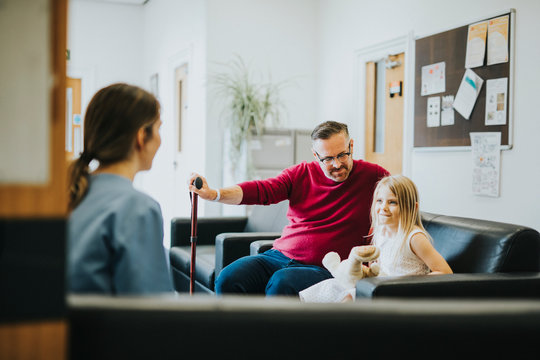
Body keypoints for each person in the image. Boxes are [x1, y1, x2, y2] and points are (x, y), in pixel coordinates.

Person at [188, 121, 389, 296]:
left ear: (351, 145)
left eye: (342, 155)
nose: (337, 164)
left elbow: (400, 203)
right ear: (315, 154)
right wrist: (214, 194)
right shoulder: (301, 173)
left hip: (326, 267)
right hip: (280, 255)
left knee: (282, 282)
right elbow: (262, 190)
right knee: (229, 277)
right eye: (327, 159)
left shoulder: (375, 176)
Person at [67, 83, 173, 295]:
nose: (161, 139)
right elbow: (150, 312)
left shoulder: (72, 191)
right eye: (159, 128)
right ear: (142, 136)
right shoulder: (138, 208)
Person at [299, 174, 453, 302]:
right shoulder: (380, 232)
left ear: (412, 207)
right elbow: (380, 266)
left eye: (392, 202)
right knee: (330, 286)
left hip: (400, 293)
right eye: (379, 201)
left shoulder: (413, 237)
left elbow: (445, 271)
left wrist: (404, 282)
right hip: (379, 287)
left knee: (349, 297)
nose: (383, 207)